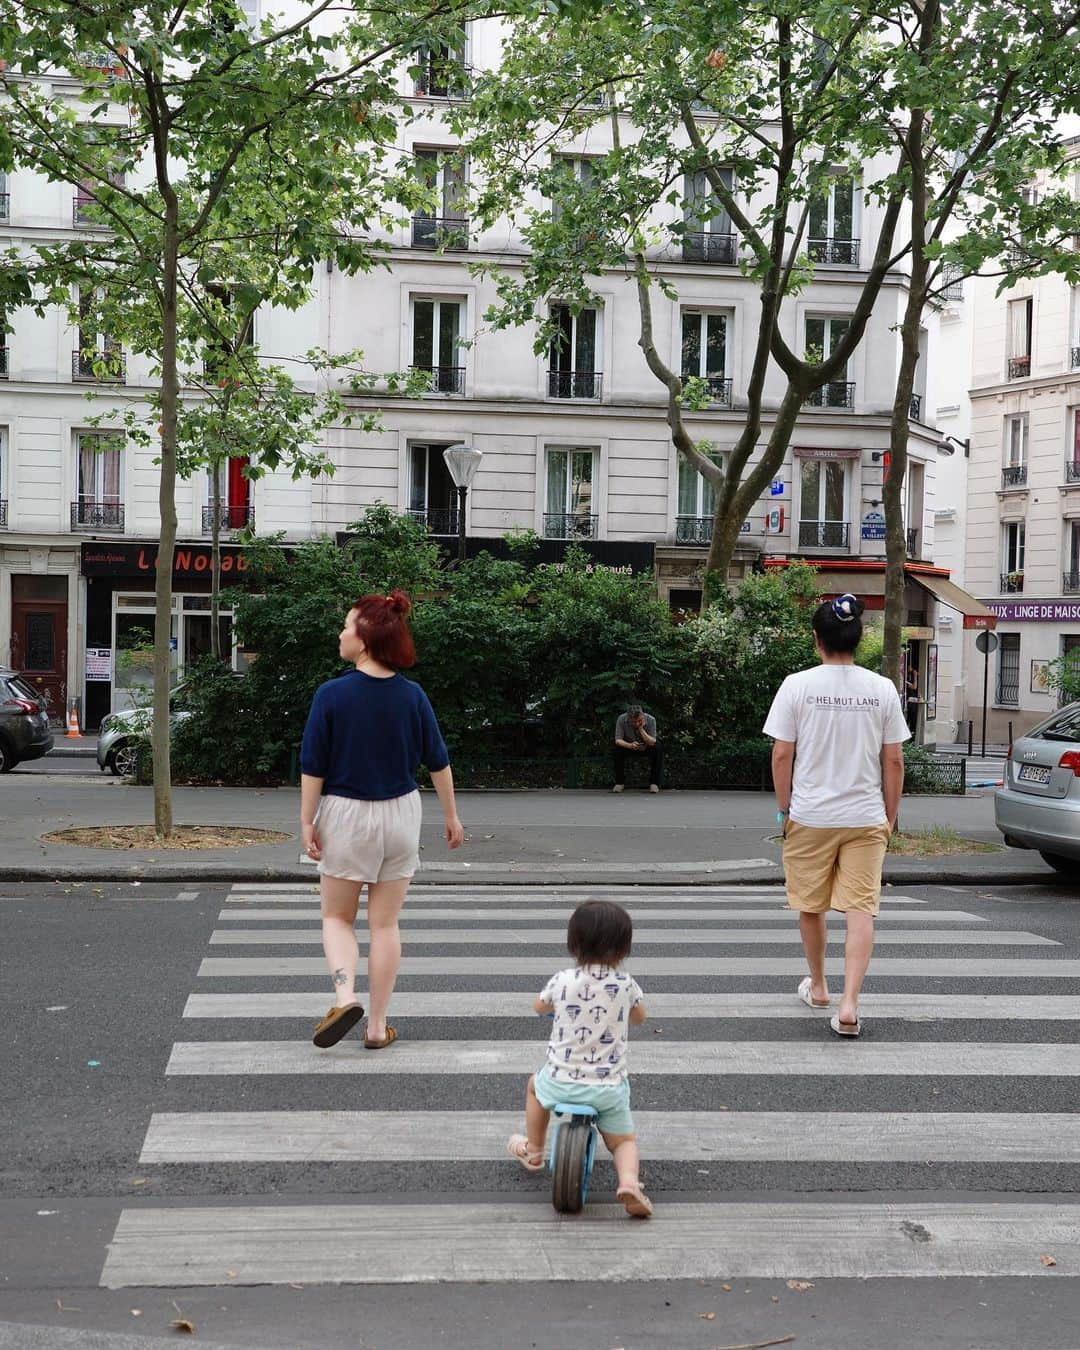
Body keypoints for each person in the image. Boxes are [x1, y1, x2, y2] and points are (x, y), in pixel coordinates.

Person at [300, 590, 464, 1051]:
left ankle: (343, 995)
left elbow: (313, 766)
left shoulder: (331, 695)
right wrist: (451, 816)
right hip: (401, 813)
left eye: (348, 626)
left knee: (336, 916)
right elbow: (438, 761)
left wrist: (306, 821)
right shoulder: (412, 696)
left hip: (347, 813)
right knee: (385, 924)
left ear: (366, 639)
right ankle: (376, 1027)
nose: (341, 633)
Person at [763, 593, 909, 1038]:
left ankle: (821, 985)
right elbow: (894, 761)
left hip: (811, 815)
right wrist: (890, 815)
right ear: (858, 638)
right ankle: (850, 1004)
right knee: (861, 909)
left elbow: (782, 754)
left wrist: (785, 808)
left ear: (816, 640)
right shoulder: (881, 688)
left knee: (811, 905)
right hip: (865, 816)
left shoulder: (797, 685)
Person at [506, 899, 653, 1219]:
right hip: (607, 1088)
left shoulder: (562, 980)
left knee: (533, 1087)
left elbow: (538, 1006)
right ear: (624, 950)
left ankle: (533, 1150)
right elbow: (641, 1017)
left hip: (559, 1081)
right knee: (623, 1141)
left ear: (574, 945)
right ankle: (629, 1182)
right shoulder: (626, 985)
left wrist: (554, 1008)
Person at [613, 703, 663, 793]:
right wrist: (630, 745)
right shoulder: (621, 719)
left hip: (647, 746)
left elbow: (652, 741)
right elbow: (618, 740)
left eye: (639, 720)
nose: (636, 723)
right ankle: (619, 783)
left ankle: (654, 783)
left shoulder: (651, 720)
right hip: (629, 746)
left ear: (643, 716)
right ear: (628, 718)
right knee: (617, 748)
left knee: (658, 746)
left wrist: (641, 729)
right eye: (633, 721)